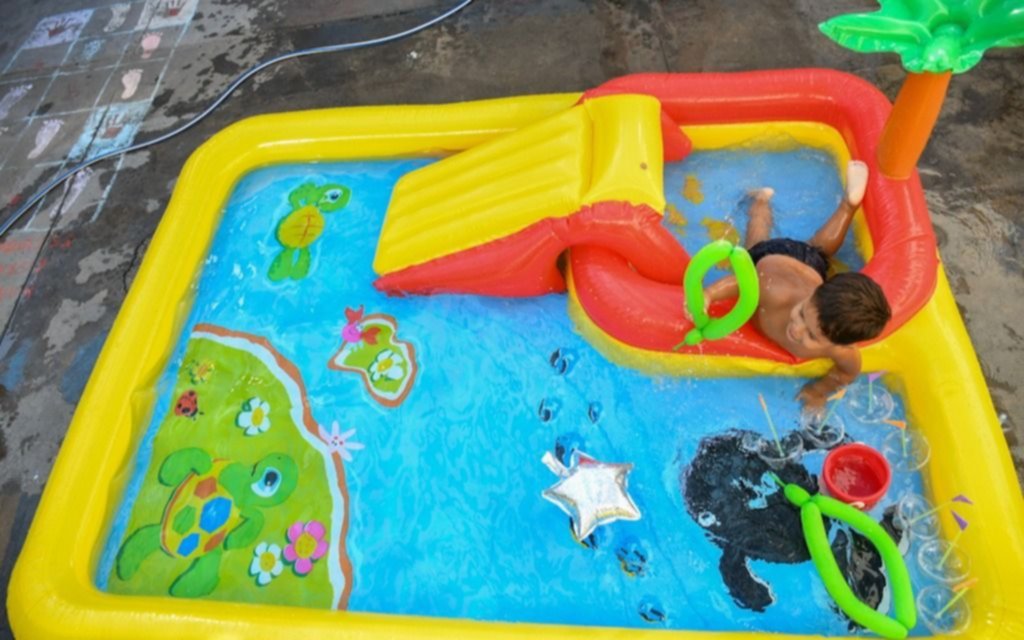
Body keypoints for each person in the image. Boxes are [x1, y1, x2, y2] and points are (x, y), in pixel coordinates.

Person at [703, 160, 891, 414]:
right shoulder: (775, 292)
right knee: (756, 240)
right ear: (813, 295)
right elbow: (742, 283)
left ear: (839, 344)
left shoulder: (840, 348)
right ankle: (761, 201)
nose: (797, 328)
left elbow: (846, 373)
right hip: (770, 260)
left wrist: (819, 392)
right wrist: (709, 294)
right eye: (802, 312)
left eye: (812, 335)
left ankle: (850, 204)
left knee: (820, 252)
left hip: (810, 268)